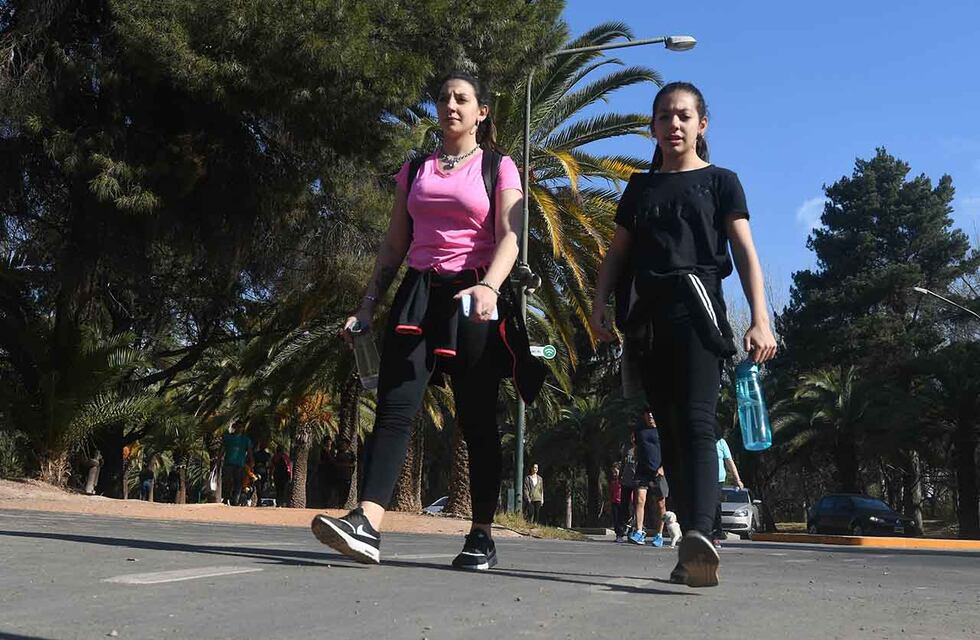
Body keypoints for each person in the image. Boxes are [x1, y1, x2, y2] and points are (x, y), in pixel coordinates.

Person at [312, 71, 544, 569]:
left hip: (474, 294)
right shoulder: (416, 168)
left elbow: (511, 236)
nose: (450, 105)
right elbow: (395, 242)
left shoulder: (499, 167)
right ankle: (368, 523)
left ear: (482, 112)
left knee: (477, 418)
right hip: (418, 293)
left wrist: (491, 287)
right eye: (443, 98)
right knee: (396, 407)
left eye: (462, 99)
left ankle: (481, 534)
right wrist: (368, 303)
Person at [590, 82, 777, 587]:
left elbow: (745, 254)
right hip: (647, 321)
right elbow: (617, 255)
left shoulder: (722, 182)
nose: (674, 124)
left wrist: (761, 317)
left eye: (684, 116)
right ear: (652, 127)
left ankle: (699, 533)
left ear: (702, 125)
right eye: (664, 117)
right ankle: (697, 546)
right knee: (668, 431)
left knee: (697, 422)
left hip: (699, 315)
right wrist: (599, 304)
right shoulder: (639, 189)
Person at [628, 409, 669, 548]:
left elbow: (670, 451)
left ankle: (659, 535)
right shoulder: (639, 431)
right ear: (644, 415)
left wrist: (663, 467)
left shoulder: (664, 431)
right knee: (640, 500)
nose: (650, 415)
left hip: (658, 472)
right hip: (642, 471)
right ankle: (639, 532)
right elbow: (636, 448)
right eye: (648, 413)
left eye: (653, 413)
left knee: (660, 504)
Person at [712, 430, 744, 546]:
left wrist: (737, 479)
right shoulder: (701, 440)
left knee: (715, 505)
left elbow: (729, 461)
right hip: (703, 478)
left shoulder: (721, 443)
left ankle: (716, 534)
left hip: (718, 480)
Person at [221, 421, 253, 506]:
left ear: (243, 428)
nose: (239, 428)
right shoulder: (228, 438)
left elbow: (249, 452)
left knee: (238, 482)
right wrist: (218, 460)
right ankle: (226, 497)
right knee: (228, 480)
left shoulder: (246, 440)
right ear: (235, 427)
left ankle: (235, 499)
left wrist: (251, 462)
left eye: (241, 427)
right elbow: (222, 449)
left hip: (240, 464)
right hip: (228, 463)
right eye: (238, 426)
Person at [609, 463, 626, 543]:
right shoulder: (613, 482)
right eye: (613, 472)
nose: (614, 474)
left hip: (622, 502)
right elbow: (611, 492)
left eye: (616, 472)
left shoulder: (624, 481)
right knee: (616, 519)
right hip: (614, 502)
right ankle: (618, 534)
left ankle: (623, 533)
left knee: (622, 519)